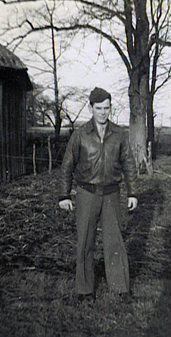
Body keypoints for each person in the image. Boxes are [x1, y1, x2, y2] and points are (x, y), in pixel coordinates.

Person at [58, 87, 138, 302]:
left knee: (114, 241)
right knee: (85, 241)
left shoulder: (119, 134)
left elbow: (128, 164)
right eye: (99, 108)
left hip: (111, 194)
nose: (103, 112)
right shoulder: (81, 134)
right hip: (87, 193)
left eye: (107, 108)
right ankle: (85, 290)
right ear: (91, 108)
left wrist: (132, 192)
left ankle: (120, 288)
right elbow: (67, 165)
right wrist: (64, 195)